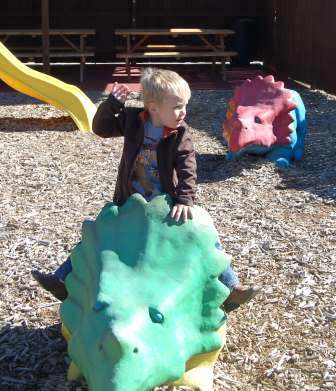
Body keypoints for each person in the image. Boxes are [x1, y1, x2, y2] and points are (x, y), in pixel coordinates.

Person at [31, 67, 258, 312]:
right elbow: (101, 128)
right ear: (153, 108)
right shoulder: (133, 120)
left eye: (185, 105)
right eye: (176, 106)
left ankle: (230, 287)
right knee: (98, 234)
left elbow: (187, 168)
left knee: (200, 235)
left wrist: (184, 200)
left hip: (166, 204)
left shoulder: (181, 134)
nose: (183, 112)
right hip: (130, 201)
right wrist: (113, 105)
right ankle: (62, 280)